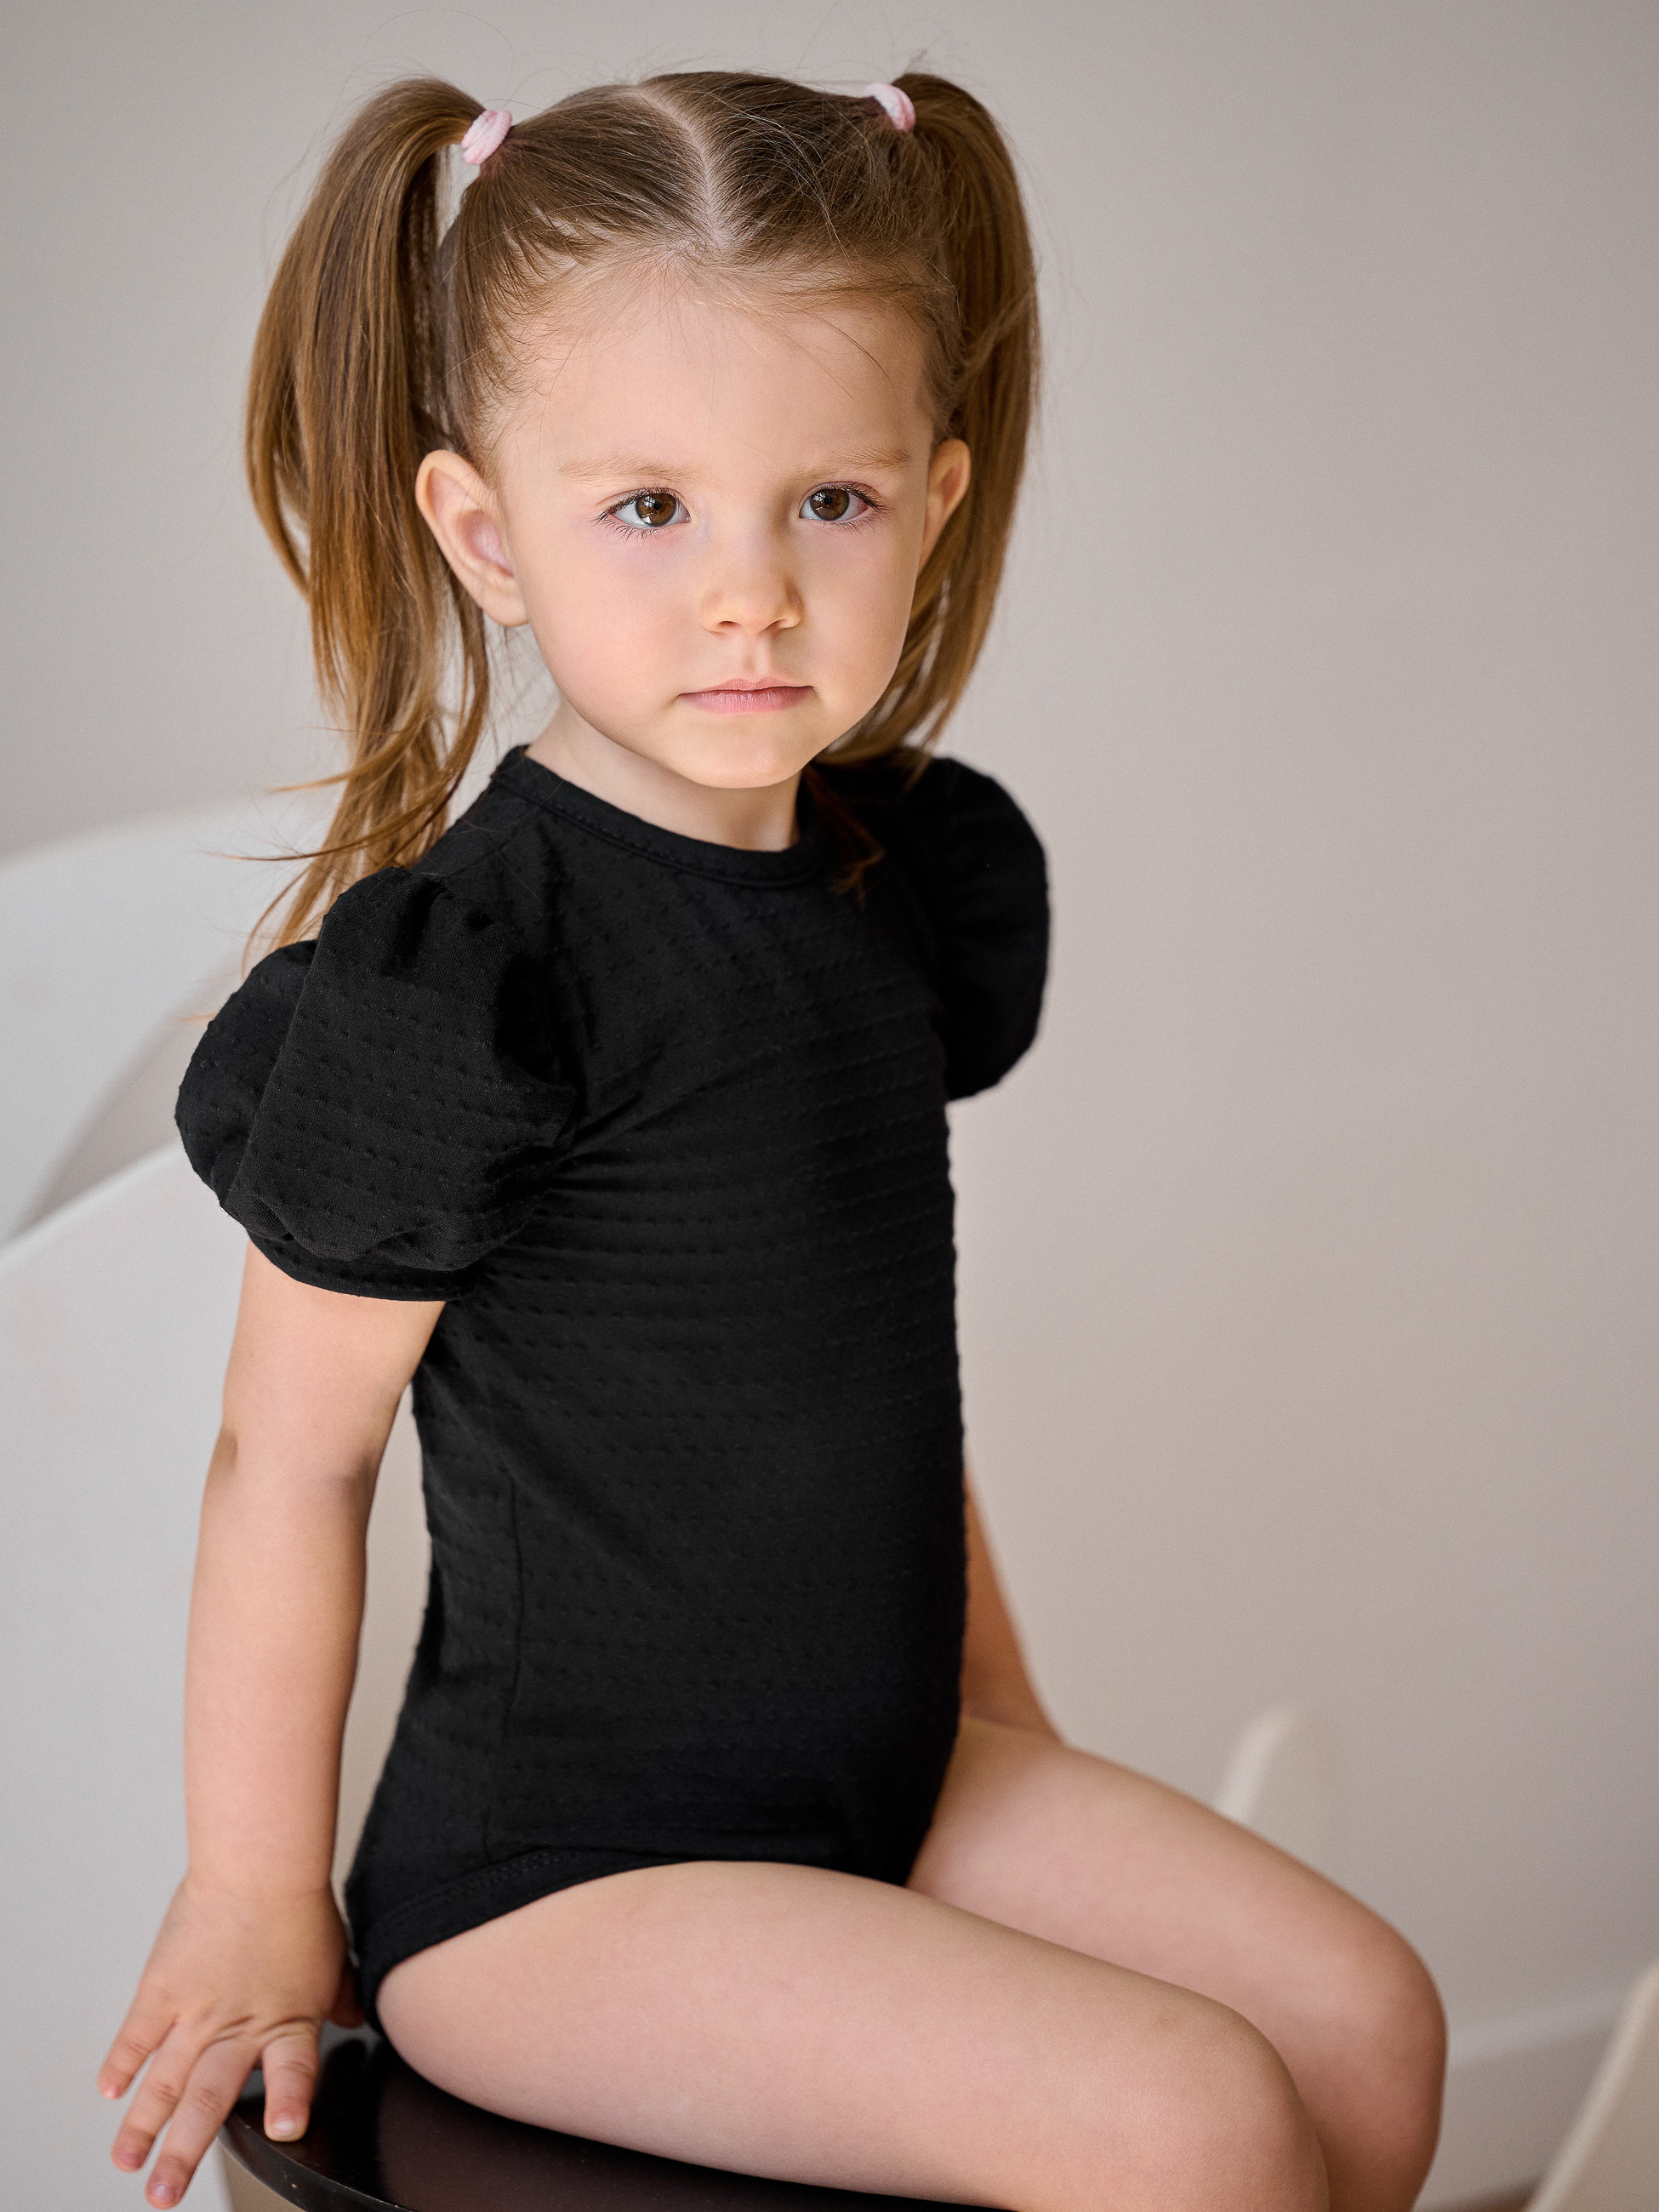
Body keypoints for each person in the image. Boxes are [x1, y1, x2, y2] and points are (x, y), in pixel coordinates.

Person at [97, 70, 1445, 2212]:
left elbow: (868, 1385)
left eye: (828, 500)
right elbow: (294, 1456)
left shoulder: (890, 884)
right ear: (488, 532)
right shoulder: (468, 978)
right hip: (565, 1881)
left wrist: (1010, 1718)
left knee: (1364, 2019)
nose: (752, 593)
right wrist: (256, 1893)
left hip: (888, 1773)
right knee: (1187, 2120)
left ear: (934, 498)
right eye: (650, 507)